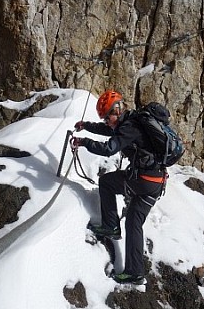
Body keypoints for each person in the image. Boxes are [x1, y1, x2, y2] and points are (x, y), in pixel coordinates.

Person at [71, 90, 167, 285]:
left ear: (117, 110)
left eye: (108, 117)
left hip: (142, 180)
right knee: (133, 222)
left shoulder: (129, 127)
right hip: (155, 183)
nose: (107, 122)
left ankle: (110, 226)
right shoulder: (132, 121)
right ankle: (135, 272)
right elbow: (110, 131)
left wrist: (84, 142)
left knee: (106, 182)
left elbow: (109, 149)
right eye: (105, 119)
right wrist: (86, 126)